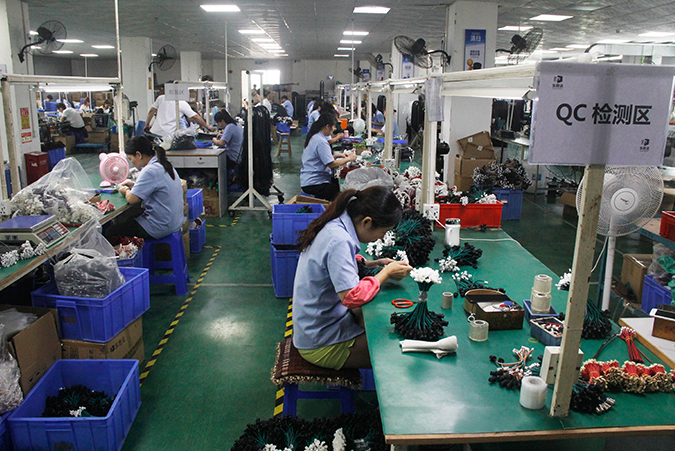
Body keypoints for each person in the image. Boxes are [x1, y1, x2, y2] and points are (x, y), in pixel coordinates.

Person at [292, 186, 413, 369]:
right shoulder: (339, 241)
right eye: (383, 232)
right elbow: (351, 297)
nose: (381, 238)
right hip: (320, 343)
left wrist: (374, 263)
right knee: (398, 353)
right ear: (367, 222)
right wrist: (386, 273)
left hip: (316, 327)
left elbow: (334, 264)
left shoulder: (336, 223)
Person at [105, 135, 184, 240]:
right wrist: (134, 186)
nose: (132, 162)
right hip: (175, 222)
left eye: (131, 159)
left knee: (111, 231)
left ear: (138, 155)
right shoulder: (164, 164)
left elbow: (132, 199)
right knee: (129, 218)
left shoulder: (150, 170)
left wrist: (126, 190)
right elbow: (155, 187)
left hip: (160, 227)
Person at [300, 112, 356, 201]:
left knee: (335, 181)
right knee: (341, 194)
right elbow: (331, 164)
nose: (334, 129)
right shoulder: (321, 142)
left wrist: (338, 155)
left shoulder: (315, 136)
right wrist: (349, 158)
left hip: (308, 179)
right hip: (314, 183)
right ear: (327, 126)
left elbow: (321, 158)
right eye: (333, 126)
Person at [144, 94, 214, 138]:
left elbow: (151, 111)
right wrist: (207, 126)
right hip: (167, 135)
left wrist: (147, 124)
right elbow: (196, 117)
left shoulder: (161, 98)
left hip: (154, 133)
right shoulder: (182, 103)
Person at [212, 110, 244, 180]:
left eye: (218, 123)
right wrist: (223, 136)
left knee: (212, 162)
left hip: (232, 157)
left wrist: (214, 140)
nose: (219, 125)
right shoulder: (237, 125)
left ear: (222, 121)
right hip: (239, 156)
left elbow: (222, 143)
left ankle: (219, 182)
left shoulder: (229, 127)